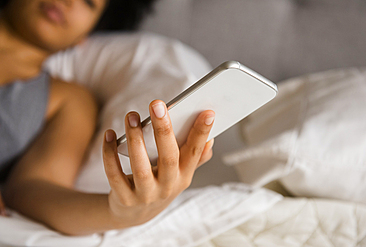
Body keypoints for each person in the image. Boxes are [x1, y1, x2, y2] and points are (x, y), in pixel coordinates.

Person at [0, 0, 215, 236]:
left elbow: (29, 190)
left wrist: (123, 213)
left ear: (85, 35)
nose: (69, 1)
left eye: (89, 3)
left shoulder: (68, 100)